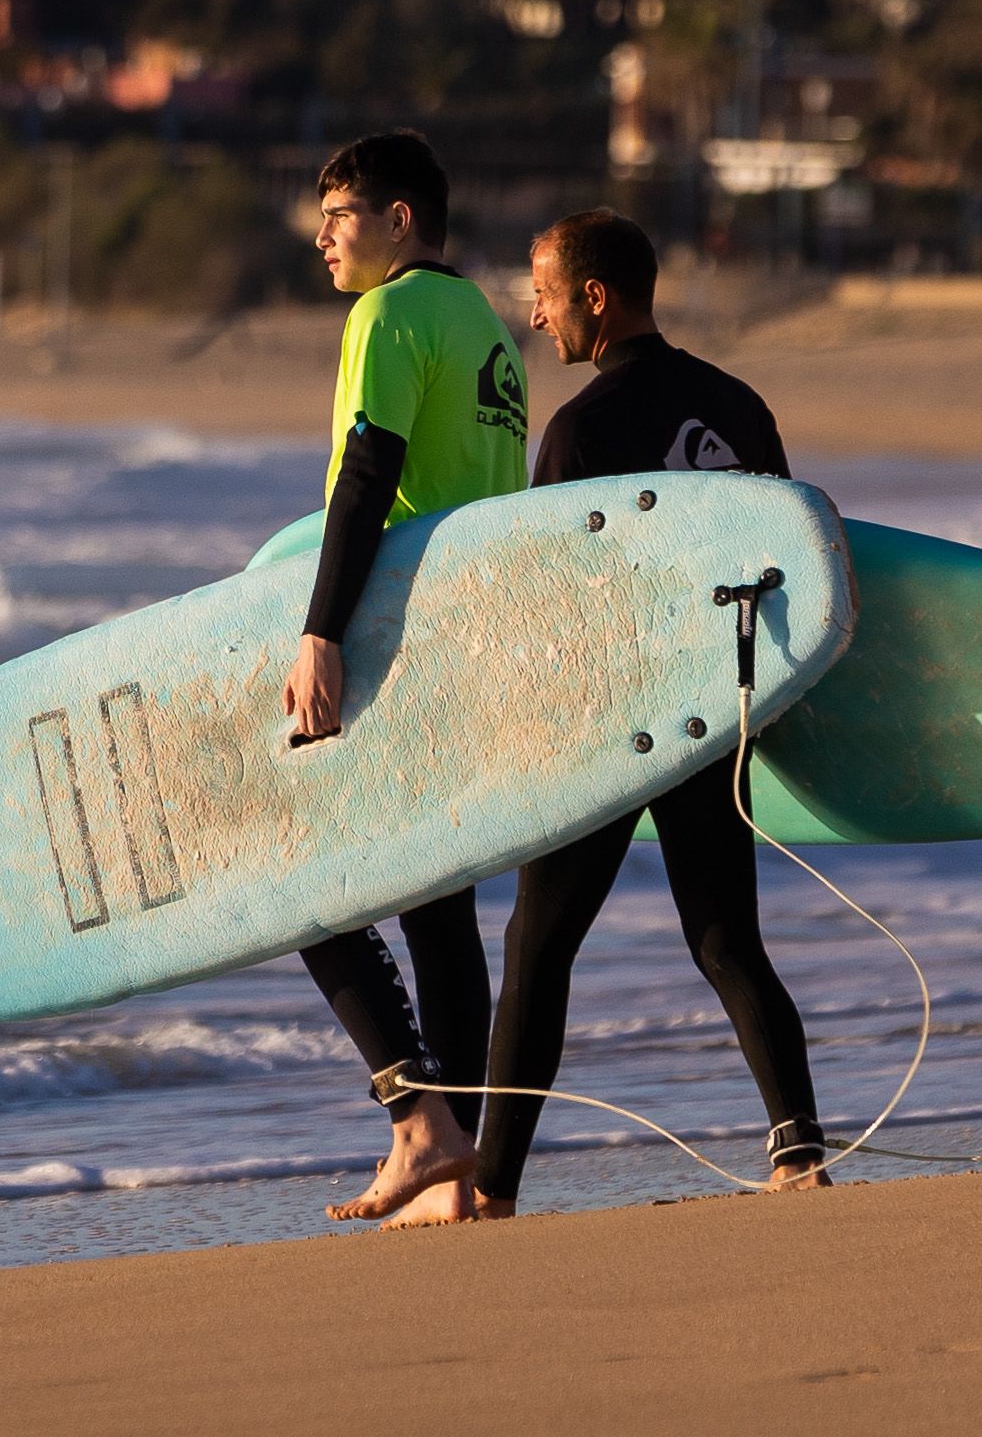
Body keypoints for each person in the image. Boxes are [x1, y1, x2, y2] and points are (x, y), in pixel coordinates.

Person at [429, 207, 830, 1226]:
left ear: (594, 298)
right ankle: (800, 1153)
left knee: (537, 947)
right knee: (726, 940)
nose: (535, 312)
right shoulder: (736, 404)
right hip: (714, 709)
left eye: (545, 292)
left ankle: (495, 1187)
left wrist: (519, 738)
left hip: (615, 726)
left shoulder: (581, 432)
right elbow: (788, 563)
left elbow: (553, 608)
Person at [284, 130, 532, 1221]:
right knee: (440, 915)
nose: (324, 234)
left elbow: (367, 471)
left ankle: (415, 1115)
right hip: (478, 639)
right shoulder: (485, 328)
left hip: (398, 639)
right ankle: (459, 1168)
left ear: (399, 221)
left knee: (294, 881)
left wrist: (320, 631)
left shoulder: (384, 317)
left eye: (342, 213)